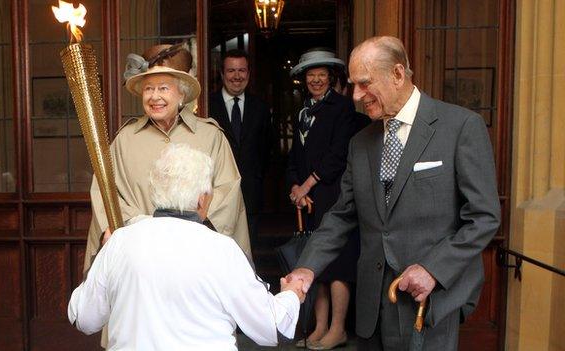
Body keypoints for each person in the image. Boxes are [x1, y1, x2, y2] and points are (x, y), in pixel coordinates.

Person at [286, 36, 501, 350]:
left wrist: (434, 270)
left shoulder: (460, 127)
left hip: (429, 305)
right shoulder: (360, 143)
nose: (357, 96)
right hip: (372, 309)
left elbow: (483, 218)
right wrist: (307, 268)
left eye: (364, 84)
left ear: (398, 75)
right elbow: (341, 216)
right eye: (353, 85)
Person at [84, 43, 251, 348]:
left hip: (194, 267)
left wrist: (188, 233)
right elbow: (106, 193)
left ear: (181, 93)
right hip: (140, 267)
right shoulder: (124, 141)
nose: (155, 96)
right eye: (148, 89)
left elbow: (228, 191)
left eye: (163, 88)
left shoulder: (210, 136)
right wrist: (141, 231)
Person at [69, 143, 305, 350]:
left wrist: (103, 253)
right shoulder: (222, 250)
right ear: (203, 198)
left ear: (155, 193)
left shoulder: (120, 243)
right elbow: (274, 328)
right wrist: (291, 294)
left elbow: (83, 318)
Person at [286, 48, 369, 350]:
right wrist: (295, 187)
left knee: (339, 265)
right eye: (311, 75)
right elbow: (296, 155)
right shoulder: (302, 111)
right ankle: (319, 327)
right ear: (304, 79)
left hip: (335, 196)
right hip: (308, 201)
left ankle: (338, 329)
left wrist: (307, 185)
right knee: (315, 266)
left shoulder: (344, 107)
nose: (317, 80)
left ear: (331, 77)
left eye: (322, 75)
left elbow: (337, 156)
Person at [209, 49, 273, 243]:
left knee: (248, 250)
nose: (237, 76)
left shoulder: (260, 107)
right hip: (215, 195)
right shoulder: (207, 105)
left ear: (248, 73)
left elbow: (267, 148)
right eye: (231, 71)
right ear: (222, 74)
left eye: (242, 70)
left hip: (250, 193)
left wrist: (257, 176)